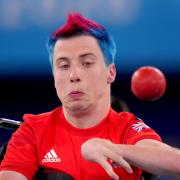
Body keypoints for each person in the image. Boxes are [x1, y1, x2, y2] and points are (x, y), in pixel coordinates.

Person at [0, 12, 180, 180]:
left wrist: (116, 150)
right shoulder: (32, 131)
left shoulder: (127, 128)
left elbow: (175, 162)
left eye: (86, 63)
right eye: (64, 66)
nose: (74, 75)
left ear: (110, 72)